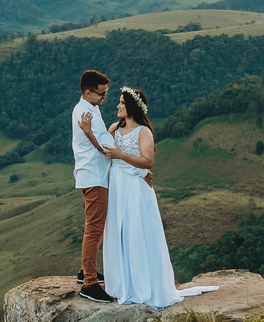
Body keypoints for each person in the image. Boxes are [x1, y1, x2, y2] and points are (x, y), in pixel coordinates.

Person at [80, 86, 217, 309]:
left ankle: (143, 285)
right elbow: (105, 152)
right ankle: (121, 284)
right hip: (117, 185)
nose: (117, 106)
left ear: (132, 106)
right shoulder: (114, 128)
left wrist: (123, 156)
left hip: (136, 188)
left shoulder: (143, 131)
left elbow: (148, 161)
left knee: (137, 231)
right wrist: (88, 133)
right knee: (118, 232)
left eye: (122, 103)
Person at [71, 70, 116, 303]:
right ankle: (89, 283)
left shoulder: (86, 108)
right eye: (101, 93)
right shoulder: (89, 114)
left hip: (89, 174)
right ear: (88, 92)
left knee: (93, 226)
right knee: (94, 229)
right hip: (95, 176)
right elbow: (107, 148)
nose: (105, 97)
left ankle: (85, 271)